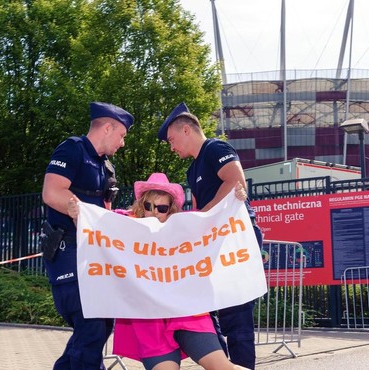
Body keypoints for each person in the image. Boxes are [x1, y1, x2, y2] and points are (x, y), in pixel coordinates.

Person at [68, 173, 248, 370]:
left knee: (222, 367)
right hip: (148, 319)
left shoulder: (183, 225)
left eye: (161, 208)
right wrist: (79, 216)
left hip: (186, 312)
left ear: (170, 209)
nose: (153, 212)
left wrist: (234, 200)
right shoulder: (123, 222)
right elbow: (95, 233)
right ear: (141, 204)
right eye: (148, 206)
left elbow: (215, 225)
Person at [158, 102, 263, 370]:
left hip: (233, 239)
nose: (172, 147)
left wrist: (203, 215)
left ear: (186, 129)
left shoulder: (215, 148)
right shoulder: (192, 169)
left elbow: (236, 180)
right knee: (208, 307)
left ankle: (241, 366)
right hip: (215, 241)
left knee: (236, 313)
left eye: (172, 140)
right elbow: (199, 210)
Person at [42, 101, 134, 369]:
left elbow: (103, 213)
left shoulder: (107, 167)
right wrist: (80, 211)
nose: (122, 143)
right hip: (69, 254)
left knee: (100, 327)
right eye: (121, 136)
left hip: (94, 259)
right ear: (107, 127)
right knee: (91, 329)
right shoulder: (72, 149)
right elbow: (52, 192)